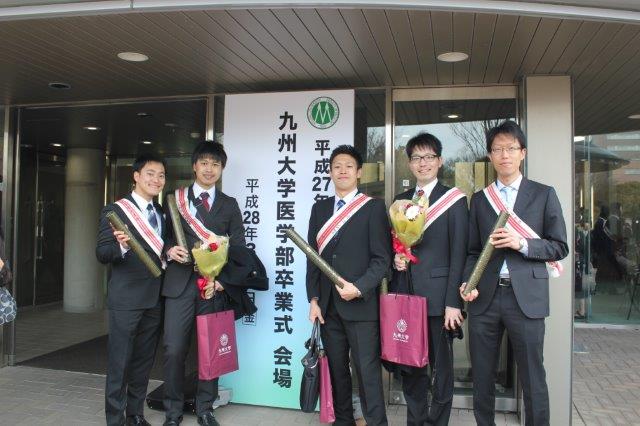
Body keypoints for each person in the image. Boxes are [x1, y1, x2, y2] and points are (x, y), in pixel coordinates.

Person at [459, 120, 568, 426]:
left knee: (533, 376)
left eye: (510, 148)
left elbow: (559, 247)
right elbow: (472, 251)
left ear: (523, 153)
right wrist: (468, 280)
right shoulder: (480, 199)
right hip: (485, 298)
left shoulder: (544, 194)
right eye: (497, 149)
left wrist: (522, 243)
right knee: (482, 375)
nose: (504, 155)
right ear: (490, 156)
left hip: (527, 299)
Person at [306, 145, 391, 426]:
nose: (342, 171)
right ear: (330, 172)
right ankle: (343, 421)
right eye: (337, 166)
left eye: (349, 166)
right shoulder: (319, 209)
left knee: (367, 373)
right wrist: (314, 299)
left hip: (361, 306)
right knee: (337, 373)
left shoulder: (373, 208)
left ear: (359, 172)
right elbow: (312, 258)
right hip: (328, 308)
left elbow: (382, 260)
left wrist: (360, 287)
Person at [162, 141, 245, 426]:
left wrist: (222, 282)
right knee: (174, 349)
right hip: (179, 284)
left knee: (210, 349)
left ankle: (206, 408)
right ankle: (172, 412)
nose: (210, 169)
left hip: (212, 286)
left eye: (215, 164)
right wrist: (169, 250)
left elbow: (238, 248)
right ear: (195, 166)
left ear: (222, 169)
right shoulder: (175, 199)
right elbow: (161, 237)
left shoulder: (229, 204)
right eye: (205, 163)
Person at [392, 133, 468, 426]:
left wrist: (454, 303)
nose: (422, 163)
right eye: (416, 158)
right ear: (410, 163)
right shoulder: (400, 202)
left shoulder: (454, 200)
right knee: (411, 368)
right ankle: (416, 421)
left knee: (441, 371)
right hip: (407, 297)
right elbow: (395, 245)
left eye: (428, 157)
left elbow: (459, 253)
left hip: (440, 300)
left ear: (440, 161)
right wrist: (397, 259)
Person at [96, 154, 167, 426]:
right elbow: (103, 253)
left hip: (154, 298)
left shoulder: (162, 213)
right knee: (120, 362)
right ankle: (115, 419)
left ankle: (135, 415)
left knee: (143, 362)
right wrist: (122, 246)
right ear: (136, 176)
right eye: (150, 173)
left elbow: (160, 251)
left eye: (161, 175)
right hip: (126, 299)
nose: (156, 180)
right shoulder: (115, 211)